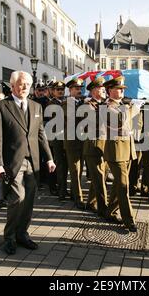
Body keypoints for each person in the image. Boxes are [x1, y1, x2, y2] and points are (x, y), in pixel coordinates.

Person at [0, 71, 55, 255]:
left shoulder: (36, 107)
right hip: (12, 162)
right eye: (21, 83)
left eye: (28, 83)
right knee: (17, 198)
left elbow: (41, 134)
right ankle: (9, 237)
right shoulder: (0, 107)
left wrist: (49, 158)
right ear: (12, 86)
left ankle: (22, 234)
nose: (25, 87)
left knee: (29, 200)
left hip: (33, 162)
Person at [103, 76, 140, 232]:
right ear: (110, 90)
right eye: (118, 89)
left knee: (119, 184)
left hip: (127, 150)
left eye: (122, 89)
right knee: (124, 186)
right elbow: (119, 122)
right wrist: (134, 108)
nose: (121, 91)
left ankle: (109, 211)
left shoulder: (122, 105)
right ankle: (128, 220)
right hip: (116, 152)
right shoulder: (106, 107)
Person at [83, 77, 108, 216]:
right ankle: (103, 209)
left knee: (99, 177)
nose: (104, 89)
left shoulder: (103, 104)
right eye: (100, 88)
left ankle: (91, 203)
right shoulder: (87, 105)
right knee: (99, 178)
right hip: (93, 145)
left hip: (104, 145)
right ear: (93, 90)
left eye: (104, 87)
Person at [63, 77, 86, 209]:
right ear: (70, 90)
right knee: (75, 171)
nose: (79, 91)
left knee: (79, 169)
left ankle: (74, 193)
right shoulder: (67, 103)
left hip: (81, 140)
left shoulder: (80, 102)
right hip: (72, 142)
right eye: (76, 88)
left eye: (80, 89)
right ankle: (78, 198)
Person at [47, 81, 68, 199]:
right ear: (53, 91)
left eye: (62, 89)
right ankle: (58, 189)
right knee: (58, 164)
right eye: (58, 89)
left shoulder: (65, 102)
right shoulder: (52, 104)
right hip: (56, 137)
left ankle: (63, 188)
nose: (60, 91)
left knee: (64, 165)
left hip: (65, 137)